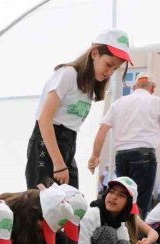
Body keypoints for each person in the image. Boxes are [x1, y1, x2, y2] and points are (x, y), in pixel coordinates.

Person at [26, 28, 132, 190]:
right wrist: (59, 164)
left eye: (115, 69)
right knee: (42, 203)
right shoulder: (67, 74)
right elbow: (44, 119)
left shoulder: (90, 86)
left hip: (68, 143)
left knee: (72, 202)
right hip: (46, 142)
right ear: (94, 53)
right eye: (108, 64)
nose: (109, 72)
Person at [88, 73, 160, 218]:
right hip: (144, 156)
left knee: (124, 198)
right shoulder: (156, 101)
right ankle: (137, 238)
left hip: (121, 156)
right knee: (140, 202)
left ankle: (122, 234)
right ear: (152, 88)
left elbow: (103, 129)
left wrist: (95, 155)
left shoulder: (119, 103)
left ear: (134, 87)